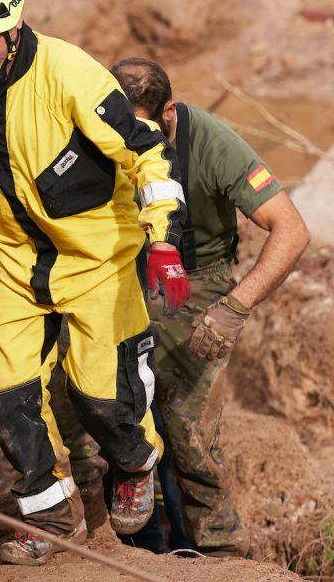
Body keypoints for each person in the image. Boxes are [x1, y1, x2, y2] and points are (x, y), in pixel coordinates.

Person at [0, 0, 190, 566]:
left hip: (99, 258)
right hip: (20, 263)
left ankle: (135, 461)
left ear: (15, 19)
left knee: (101, 400)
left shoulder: (70, 74)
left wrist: (162, 240)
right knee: (5, 393)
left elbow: (146, 153)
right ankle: (46, 515)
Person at [110, 58, 311, 557]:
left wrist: (235, 307)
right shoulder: (99, 123)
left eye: (141, 127)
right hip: (117, 273)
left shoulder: (213, 143)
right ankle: (134, 547)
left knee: (190, 432)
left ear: (170, 111)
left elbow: (292, 229)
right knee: (111, 415)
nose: (128, 138)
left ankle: (215, 552)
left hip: (194, 281)